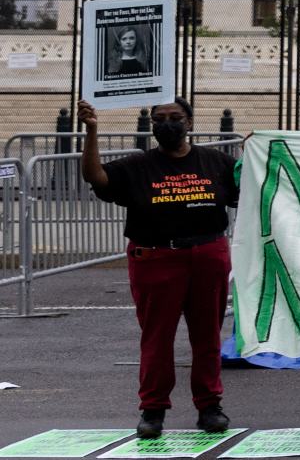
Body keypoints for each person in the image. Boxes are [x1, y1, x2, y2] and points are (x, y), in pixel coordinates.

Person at [77, 97, 238, 439]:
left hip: (207, 254)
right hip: (156, 258)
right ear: (152, 127)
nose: (168, 124)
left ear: (190, 123)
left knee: (207, 336)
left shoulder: (215, 162)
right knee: (156, 339)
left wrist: (260, 153)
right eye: (160, 119)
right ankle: (152, 411)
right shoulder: (138, 166)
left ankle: (209, 407)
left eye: (175, 117)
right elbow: (96, 177)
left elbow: (253, 187)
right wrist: (91, 131)